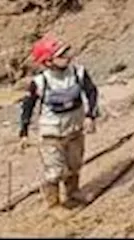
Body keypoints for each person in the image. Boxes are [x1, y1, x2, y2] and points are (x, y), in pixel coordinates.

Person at [18, 35, 100, 210]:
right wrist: (23, 133)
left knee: (75, 164)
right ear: (47, 62)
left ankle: (73, 192)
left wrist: (90, 116)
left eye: (66, 53)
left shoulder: (79, 73)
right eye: (60, 56)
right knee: (54, 171)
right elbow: (28, 107)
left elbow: (91, 92)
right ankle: (53, 204)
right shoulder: (40, 82)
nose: (67, 58)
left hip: (74, 129)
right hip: (51, 133)